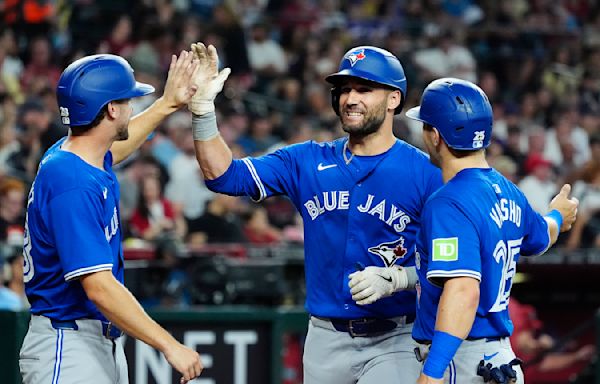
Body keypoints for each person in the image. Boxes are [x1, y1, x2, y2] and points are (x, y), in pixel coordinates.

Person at [188, 43, 442, 383]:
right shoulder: (305, 160)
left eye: (364, 89)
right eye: (345, 90)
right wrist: (204, 111)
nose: (351, 98)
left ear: (394, 99)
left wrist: (400, 279)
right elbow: (224, 176)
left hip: (396, 337)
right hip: (324, 339)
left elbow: (448, 260)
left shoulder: (426, 173)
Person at [19, 52, 203, 383]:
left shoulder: (75, 155)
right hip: (68, 343)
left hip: (93, 340)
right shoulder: (72, 182)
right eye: (127, 99)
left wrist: (167, 104)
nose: (133, 106)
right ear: (111, 109)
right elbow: (99, 288)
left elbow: (114, 149)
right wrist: (169, 345)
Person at [403, 78, 578, 383]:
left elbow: (463, 291)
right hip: (499, 358)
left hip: (460, 358)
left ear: (436, 136)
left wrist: (432, 373)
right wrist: (558, 216)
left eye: (426, 127)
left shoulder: (448, 203)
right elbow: (541, 238)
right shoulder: (509, 191)